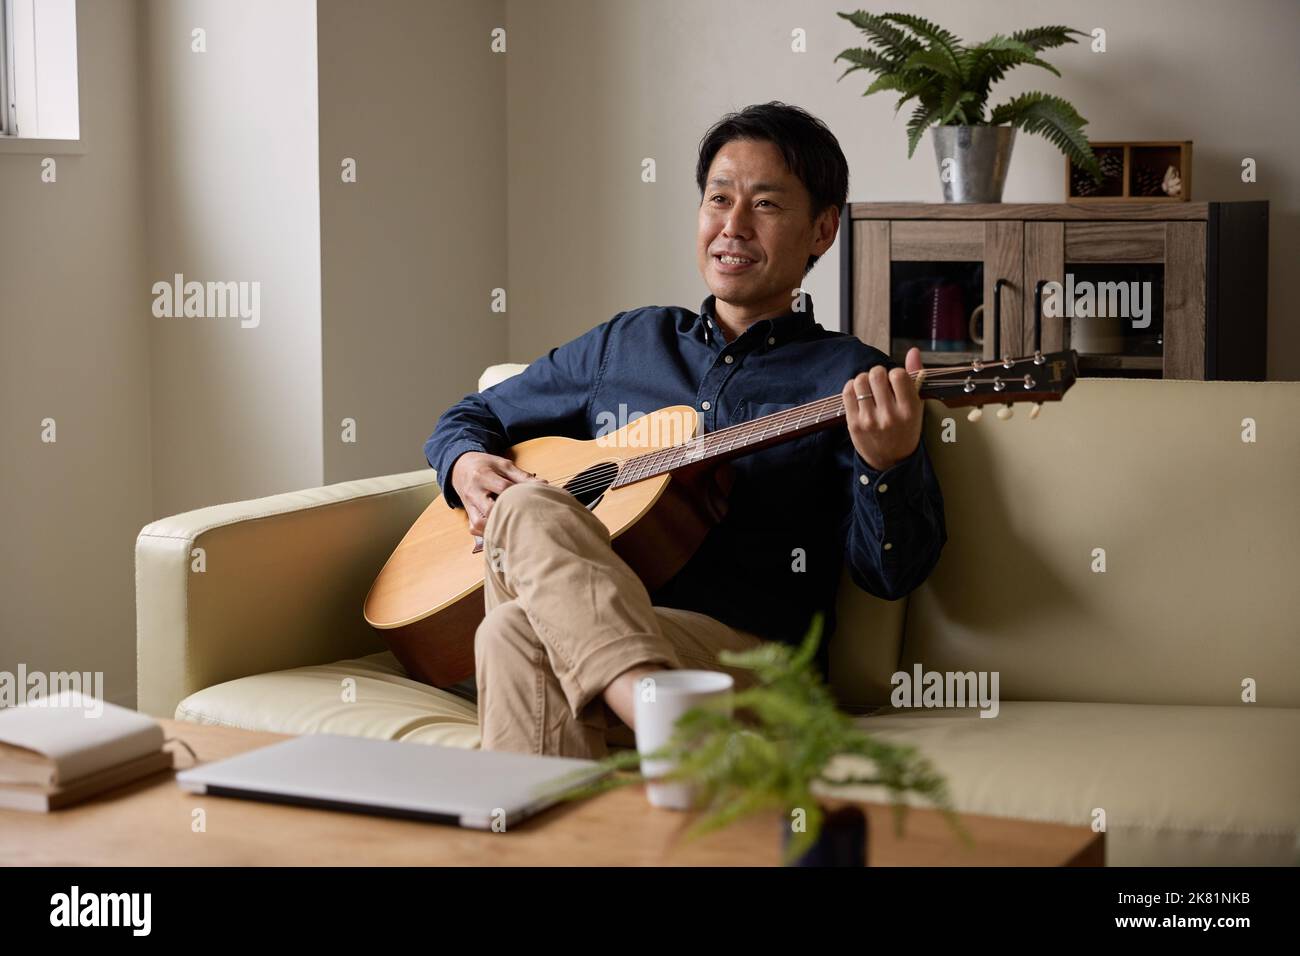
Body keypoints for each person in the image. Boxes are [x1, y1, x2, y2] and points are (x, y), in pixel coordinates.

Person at [424, 102, 946, 758]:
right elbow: (470, 418)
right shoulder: (629, 342)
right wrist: (467, 466)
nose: (733, 226)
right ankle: (657, 714)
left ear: (822, 230)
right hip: (605, 631)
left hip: (749, 665)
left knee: (507, 635)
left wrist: (887, 466)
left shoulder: (853, 380)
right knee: (525, 504)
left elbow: (890, 576)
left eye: (764, 205)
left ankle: (636, 727)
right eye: (718, 198)